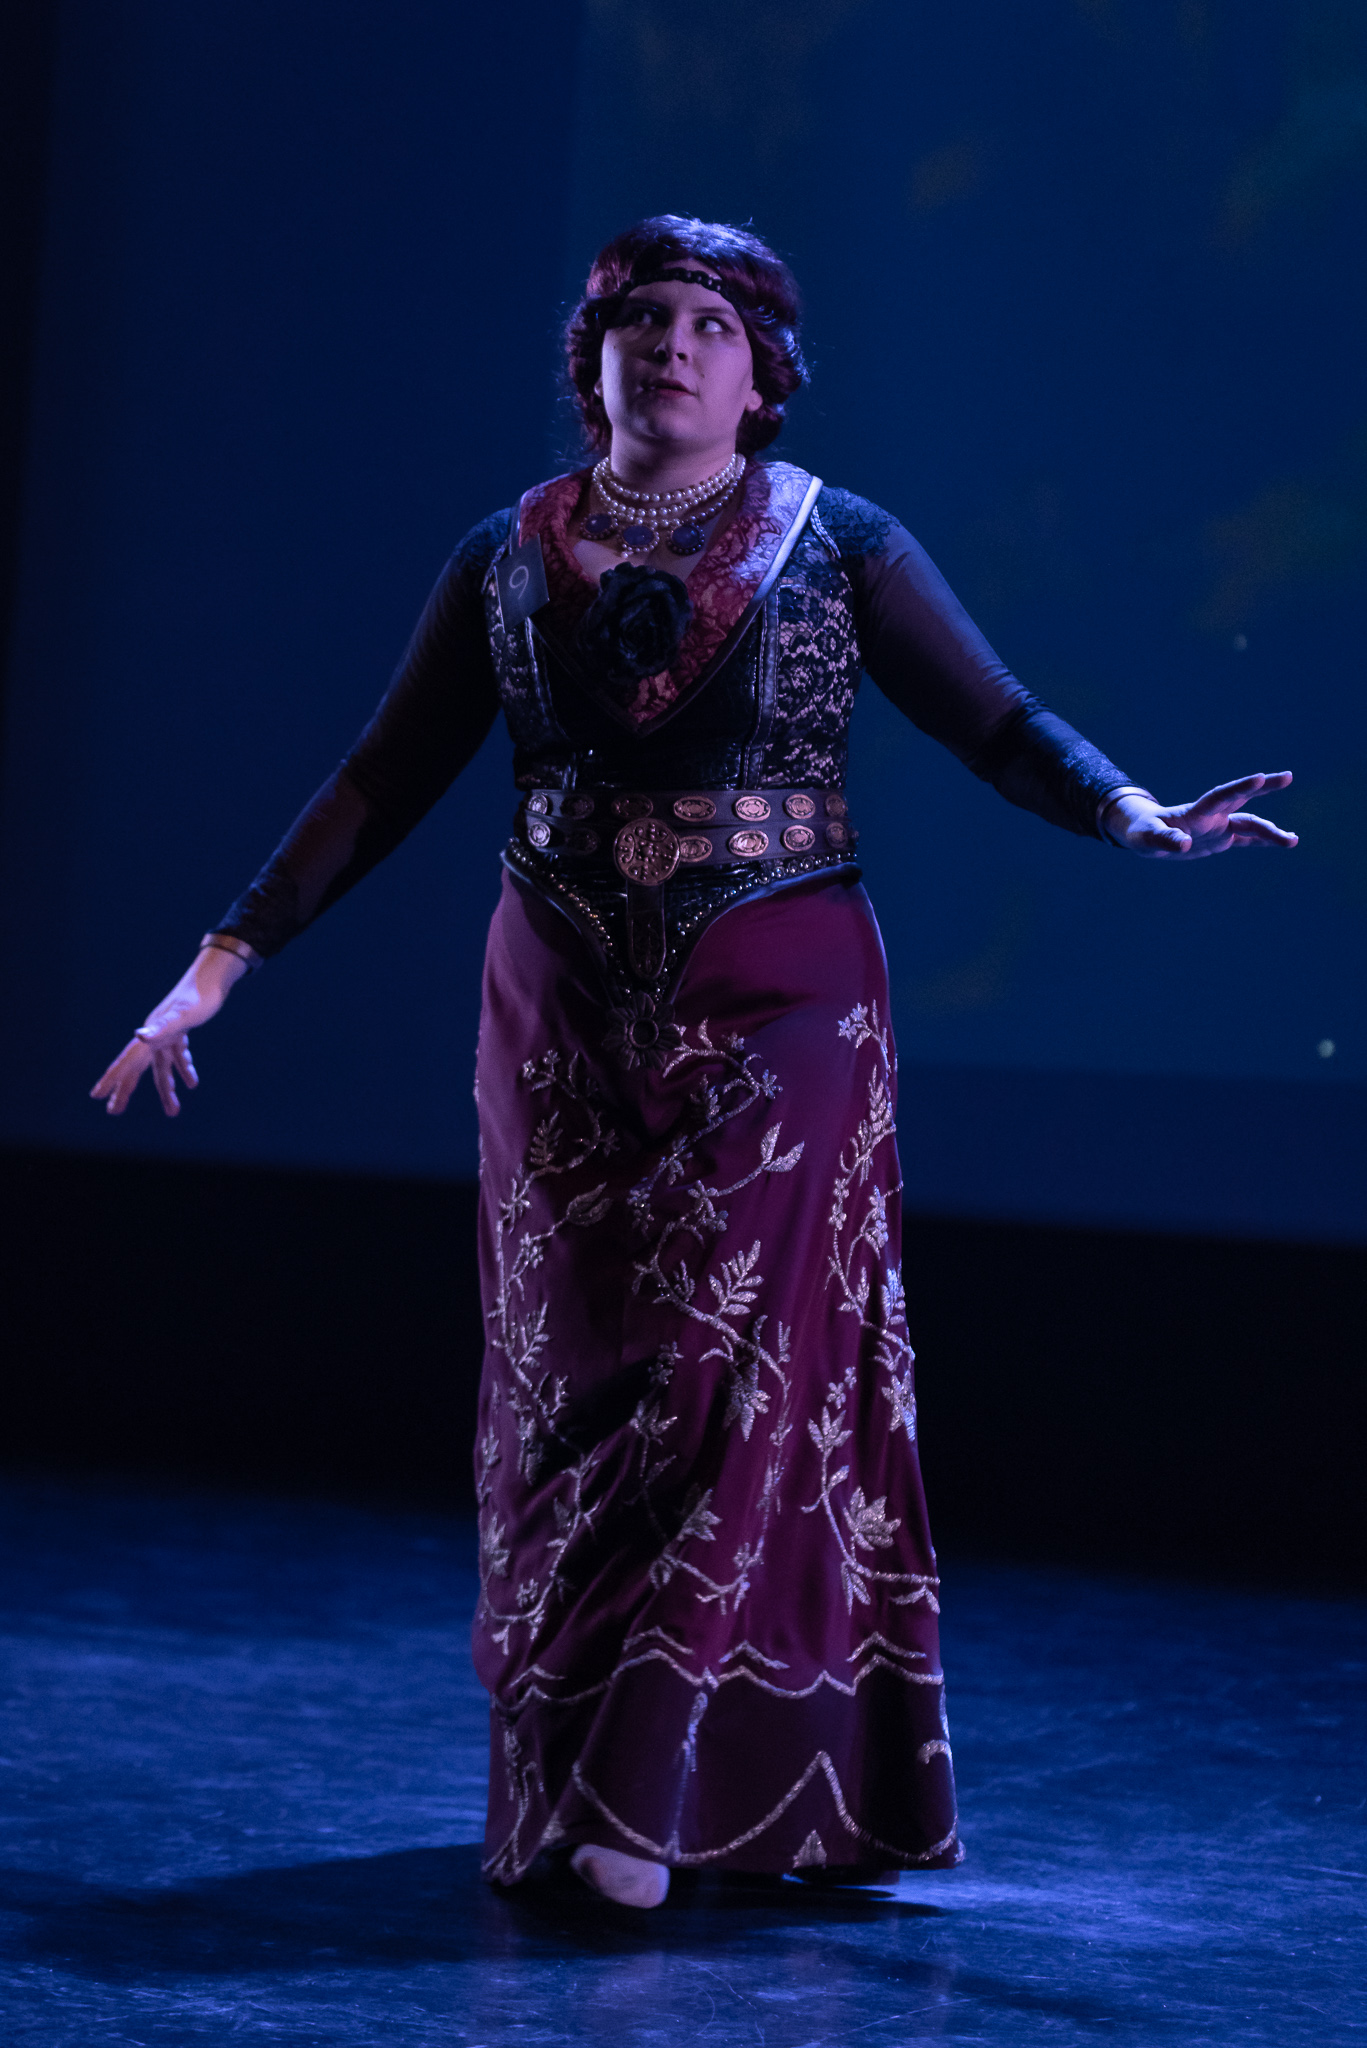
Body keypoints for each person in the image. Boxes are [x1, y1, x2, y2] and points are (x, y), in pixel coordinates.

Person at [92, 217, 1296, 1910]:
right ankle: (592, 1781)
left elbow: (997, 720)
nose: (673, 344)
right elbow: (382, 775)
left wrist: (1130, 812)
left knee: (724, 1365)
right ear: (591, 359)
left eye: (712, 324)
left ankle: (634, 1802)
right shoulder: (504, 557)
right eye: (642, 318)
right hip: (561, 1004)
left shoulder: (839, 542)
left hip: (785, 995)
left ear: (764, 373)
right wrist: (216, 966)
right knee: (578, 1380)